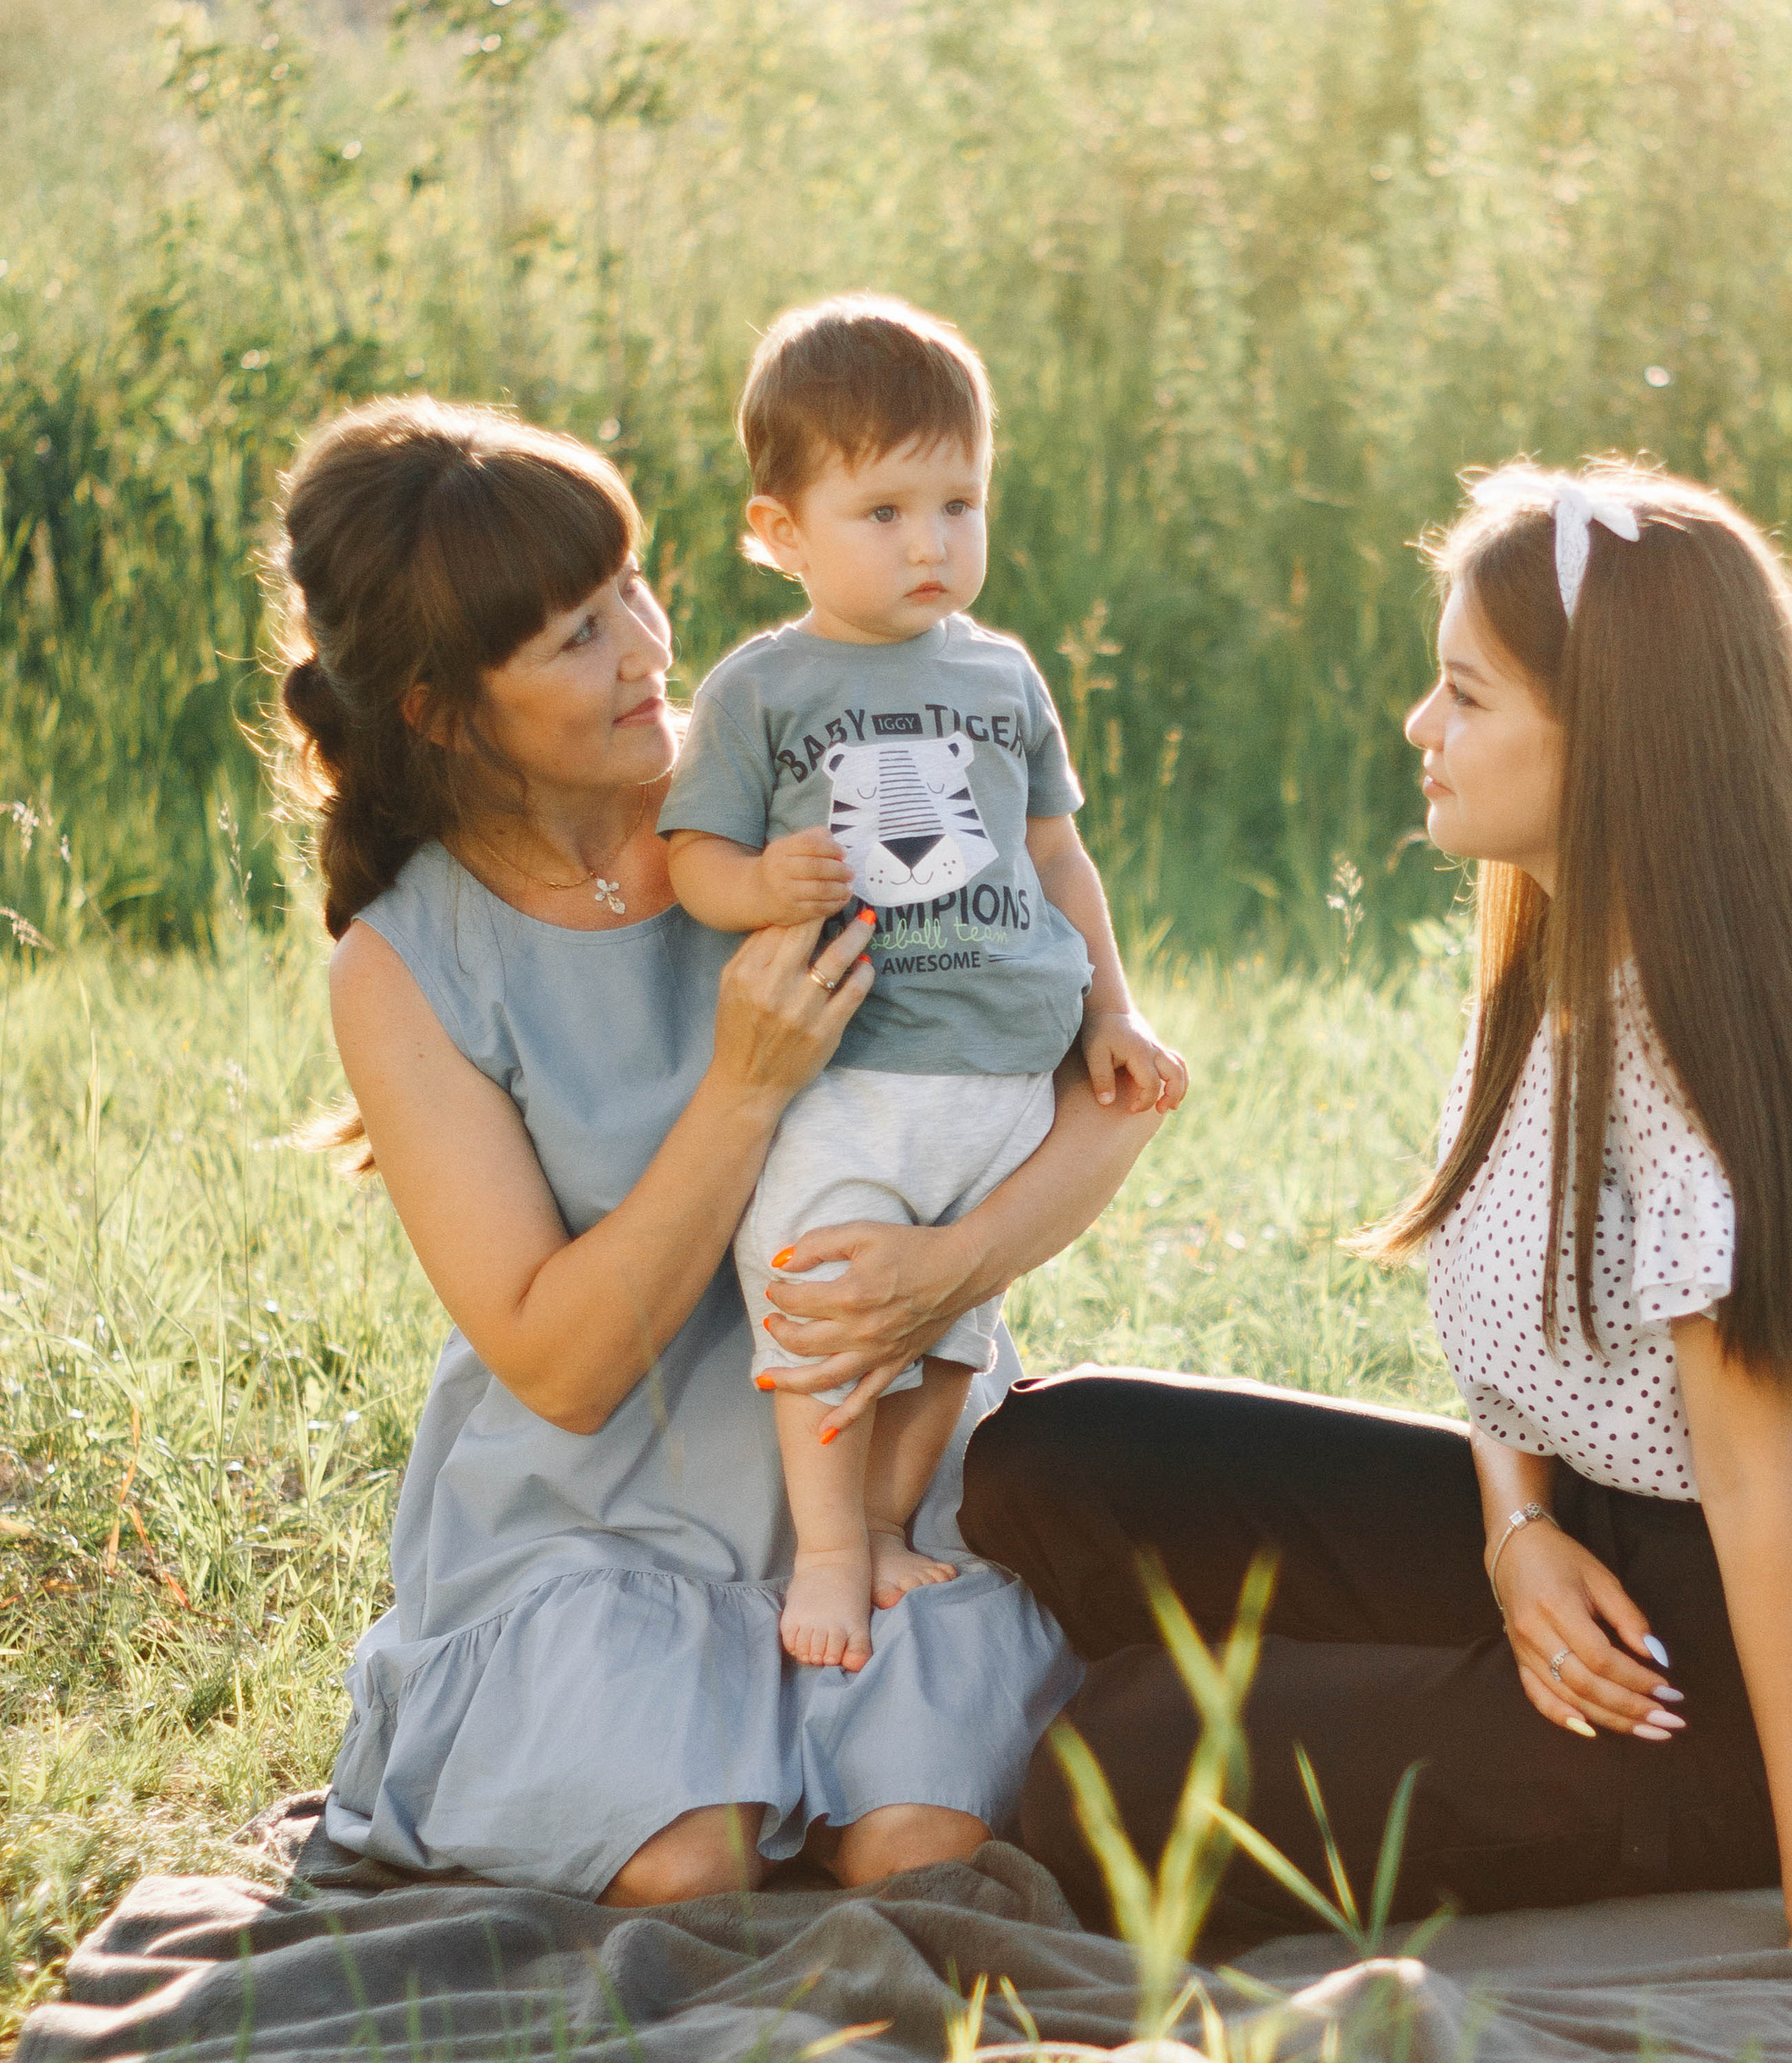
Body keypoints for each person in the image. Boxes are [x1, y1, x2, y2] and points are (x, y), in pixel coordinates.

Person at [964, 466, 1792, 1960]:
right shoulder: (1550, 943)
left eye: (1465, 695)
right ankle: (1413, 1687)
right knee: (1050, 1459)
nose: (1420, 727)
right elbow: (1516, 1365)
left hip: (1726, 1669)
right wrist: (1516, 1534)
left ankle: (1617, 1792)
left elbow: (1759, 1492)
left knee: (1113, 1775)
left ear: (1615, 747)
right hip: (1593, 1523)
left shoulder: (1694, 1039)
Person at [279, 394, 1157, 1906]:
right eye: (575, 636)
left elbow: (1101, 1088)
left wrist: (947, 1267)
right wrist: (745, 1090)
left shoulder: (808, 765)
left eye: (630, 583)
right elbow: (559, 1366)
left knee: (924, 1857)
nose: (647, 648)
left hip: (881, 1471)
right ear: (437, 706)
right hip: (595, 1515)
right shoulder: (404, 964)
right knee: (687, 1867)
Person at [662, 295, 1185, 1677]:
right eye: (883, 510)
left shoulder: (1004, 676)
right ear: (781, 530)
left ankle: (887, 1522)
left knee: (957, 1328)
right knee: (824, 1309)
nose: (932, 543)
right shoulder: (762, 689)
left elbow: (1059, 856)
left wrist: (1110, 1010)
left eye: (960, 503)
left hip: (1008, 1073)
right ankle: (829, 1547)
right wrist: (757, 887)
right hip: (856, 1073)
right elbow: (691, 857)